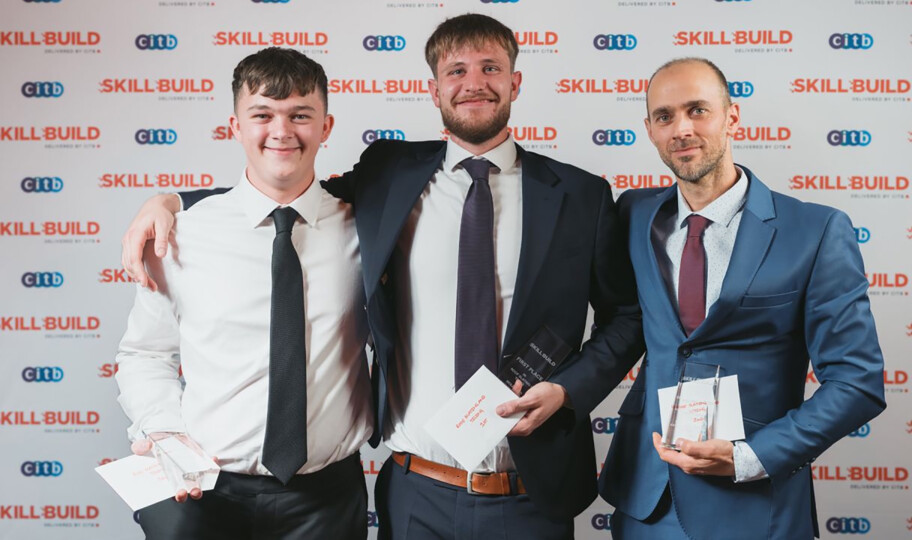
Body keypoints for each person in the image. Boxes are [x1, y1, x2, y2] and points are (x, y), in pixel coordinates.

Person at [120, 14, 644, 540]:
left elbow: (626, 316)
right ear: (434, 89)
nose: (474, 83)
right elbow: (276, 190)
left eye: (491, 68)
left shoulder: (581, 196)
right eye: (456, 70)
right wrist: (169, 201)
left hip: (526, 489)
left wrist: (569, 391)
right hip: (413, 489)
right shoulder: (389, 176)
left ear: (515, 81)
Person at [597, 58, 886, 539]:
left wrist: (750, 457)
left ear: (732, 116)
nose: (682, 129)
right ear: (649, 130)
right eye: (665, 117)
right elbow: (620, 326)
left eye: (698, 110)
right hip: (646, 499)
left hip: (755, 503)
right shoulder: (633, 214)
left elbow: (857, 381)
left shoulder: (815, 231)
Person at [115, 47, 371, 540]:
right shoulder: (181, 234)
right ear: (235, 126)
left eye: (300, 114)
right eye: (262, 115)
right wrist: (164, 430)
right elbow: (145, 353)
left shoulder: (367, 228)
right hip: (206, 496)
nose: (281, 131)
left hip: (328, 499)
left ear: (326, 125)